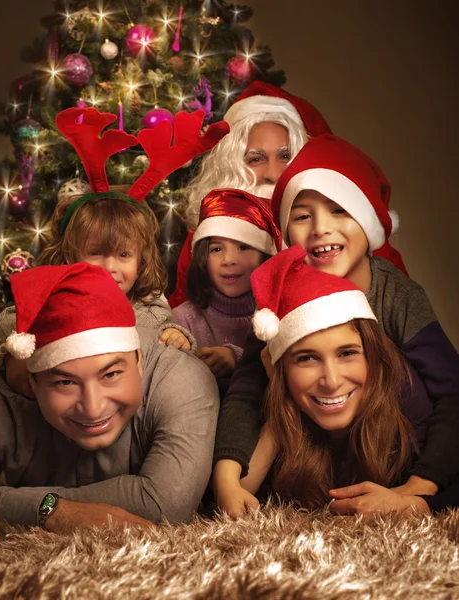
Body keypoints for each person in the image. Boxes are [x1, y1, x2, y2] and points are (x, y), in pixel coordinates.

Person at [213, 134, 459, 514]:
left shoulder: (397, 296)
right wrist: (228, 480)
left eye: (340, 210)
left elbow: (452, 392)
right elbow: (244, 397)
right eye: (302, 216)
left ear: (368, 222)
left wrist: (418, 488)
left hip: (394, 443)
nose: (320, 228)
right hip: (312, 447)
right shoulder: (277, 298)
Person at [0, 105, 231, 396]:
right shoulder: (53, 294)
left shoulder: (146, 307)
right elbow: (11, 319)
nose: (109, 267)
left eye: (123, 255)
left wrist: (177, 336)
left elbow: (165, 327)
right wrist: (20, 343)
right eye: (96, 253)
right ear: (71, 254)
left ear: (141, 261)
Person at [0, 262, 220, 530]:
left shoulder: (181, 378)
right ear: (32, 383)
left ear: (139, 362)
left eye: (110, 375)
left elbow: (166, 505)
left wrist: (13, 504)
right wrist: (52, 510)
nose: (93, 409)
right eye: (65, 382)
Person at [214, 246, 455, 517]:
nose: (331, 381)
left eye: (347, 353)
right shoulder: (283, 402)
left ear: (373, 357)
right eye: (306, 359)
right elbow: (240, 492)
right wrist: (280, 403)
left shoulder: (408, 397)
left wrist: (417, 503)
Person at [168, 81, 332, 308]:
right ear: (231, 166)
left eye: (285, 156)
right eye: (256, 159)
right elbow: (182, 313)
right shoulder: (206, 233)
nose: (274, 175)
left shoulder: (335, 232)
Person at [172, 188, 282, 391]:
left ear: (264, 257)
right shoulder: (183, 319)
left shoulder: (279, 316)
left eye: (243, 247)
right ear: (202, 259)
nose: (229, 260)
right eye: (216, 249)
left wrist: (236, 358)